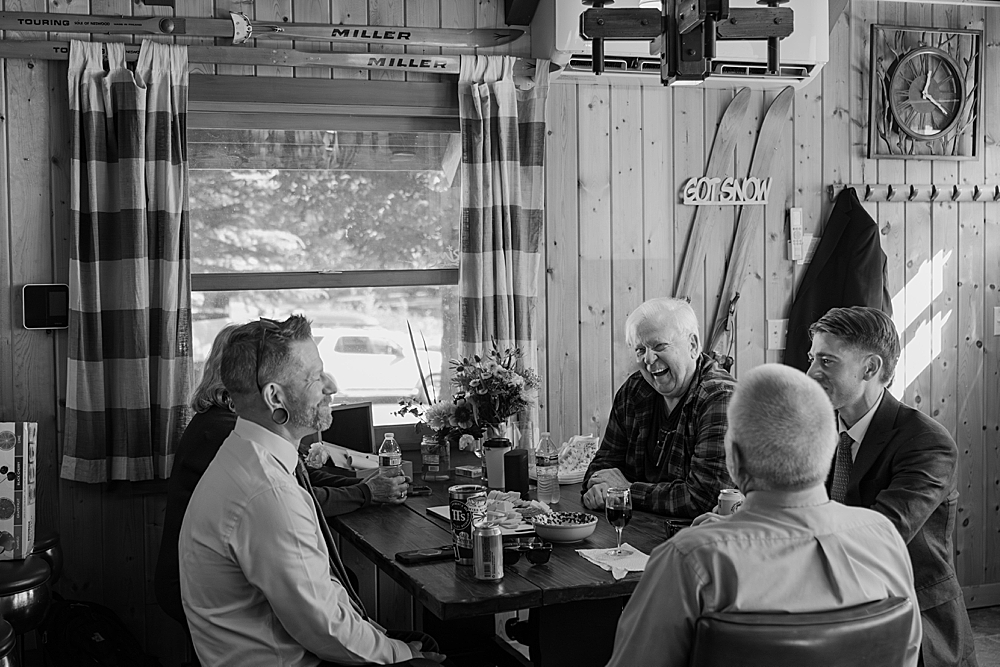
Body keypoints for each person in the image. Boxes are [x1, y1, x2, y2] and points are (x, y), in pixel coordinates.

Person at [605, 364, 922, 667]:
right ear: (830, 448)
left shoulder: (691, 560)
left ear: (735, 459)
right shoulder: (883, 539)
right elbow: (905, 654)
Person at [179, 316, 443, 666]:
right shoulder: (267, 494)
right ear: (275, 397)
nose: (331, 385)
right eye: (315, 377)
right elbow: (327, 630)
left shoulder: (245, 452)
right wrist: (400, 653)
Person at [807, 306, 978, 667]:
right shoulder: (814, 430)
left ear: (870, 368)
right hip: (831, 606)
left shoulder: (927, 442)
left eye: (827, 361)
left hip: (914, 622)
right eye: (812, 359)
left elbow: (879, 534)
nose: (810, 372)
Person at [582, 297, 735, 516]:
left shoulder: (721, 398)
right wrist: (597, 488)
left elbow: (704, 497)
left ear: (692, 345)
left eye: (659, 346)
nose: (649, 359)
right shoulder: (634, 390)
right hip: (635, 531)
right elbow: (601, 467)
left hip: (704, 539)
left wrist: (625, 491)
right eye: (640, 350)